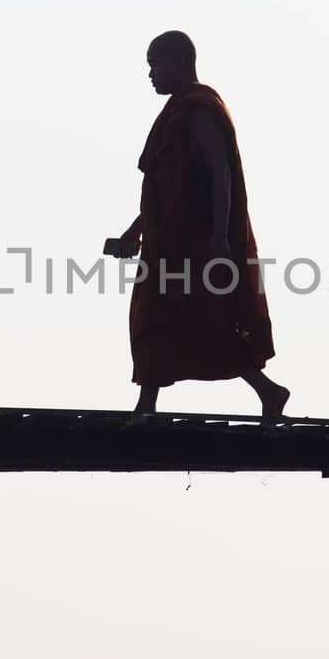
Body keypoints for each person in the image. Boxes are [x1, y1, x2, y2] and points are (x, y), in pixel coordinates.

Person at [107, 31, 288, 417]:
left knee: (210, 323)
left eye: (156, 65)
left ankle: (268, 391)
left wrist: (220, 238)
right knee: (153, 321)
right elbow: (167, 187)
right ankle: (147, 404)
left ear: (180, 62)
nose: (151, 74)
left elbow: (220, 175)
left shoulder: (200, 109)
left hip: (197, 241)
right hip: (166, 242)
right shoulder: (174, 112)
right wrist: (134, 231)